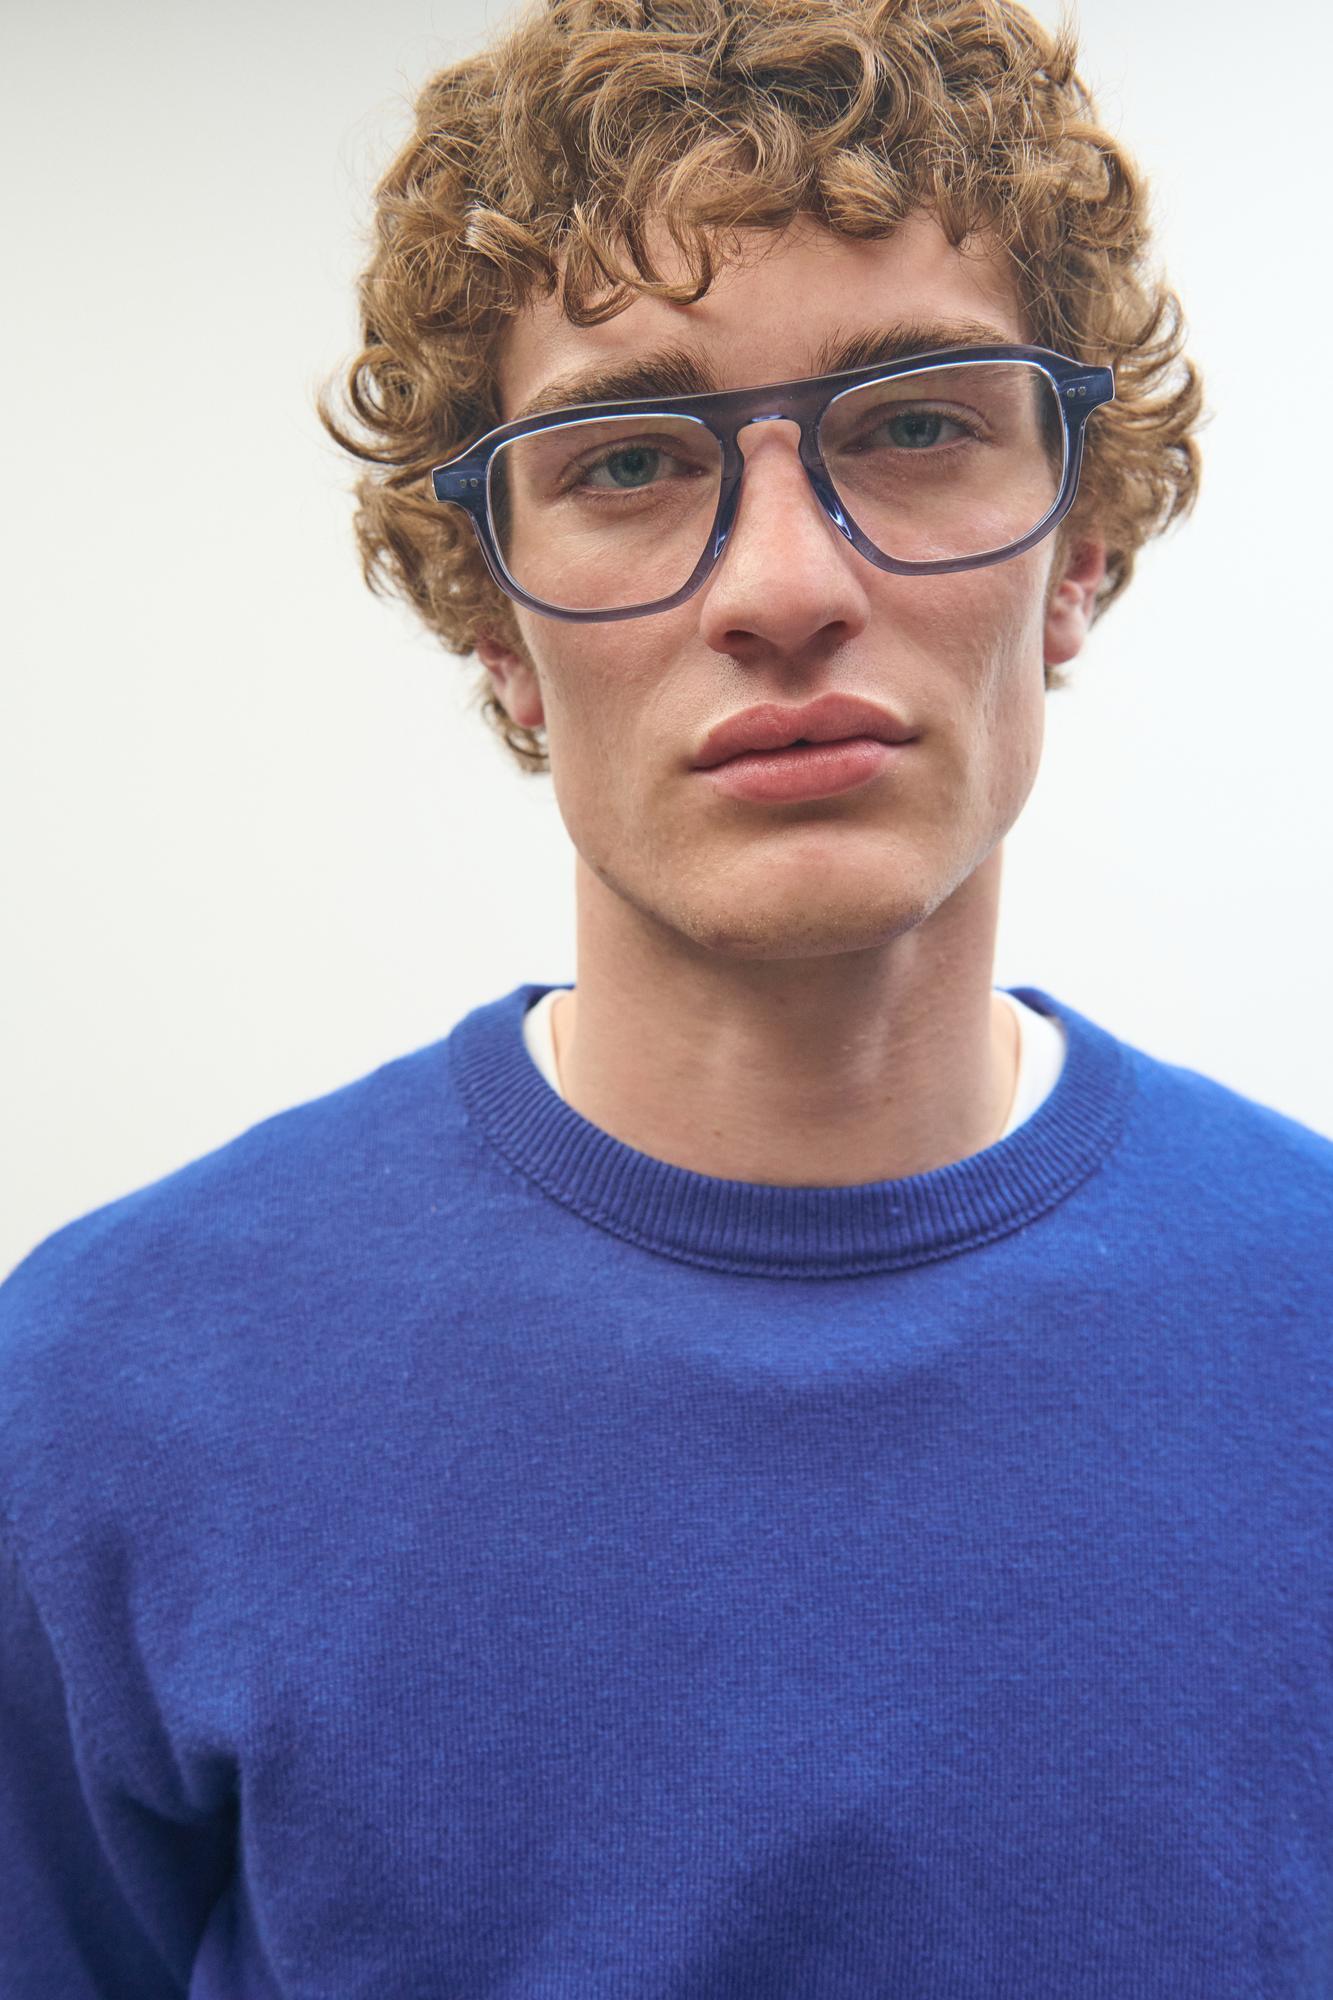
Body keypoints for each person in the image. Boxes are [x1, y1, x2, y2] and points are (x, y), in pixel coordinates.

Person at [2, 0, 1330, 1992]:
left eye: (912, 424)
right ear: (493, 620)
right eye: (627, 459)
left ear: (1079, 544)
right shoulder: (104, 1390)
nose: (780, 587)